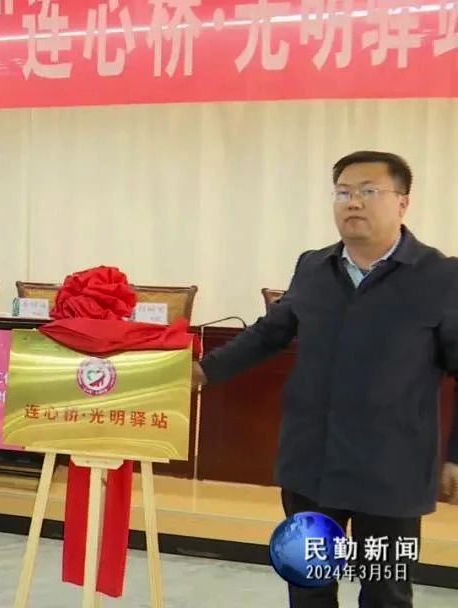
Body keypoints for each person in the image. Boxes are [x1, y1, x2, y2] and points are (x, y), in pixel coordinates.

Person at [192, 151, 458, 608]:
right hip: (310, 463)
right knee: (308, 587)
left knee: (386, 592)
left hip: (391, 470)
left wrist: (456, 455)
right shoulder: (313, 267)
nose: (353, 202)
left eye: (369, 191)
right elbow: (269, 334)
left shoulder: (442, 277)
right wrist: (203, 371)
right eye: (342, 192)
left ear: (403, 203)